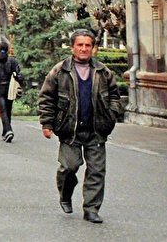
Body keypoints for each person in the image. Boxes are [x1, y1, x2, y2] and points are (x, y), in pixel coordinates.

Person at [38, 30, 120, 224]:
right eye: (80, 45)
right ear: (73, 47)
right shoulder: (60, 71)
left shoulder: (103, 72)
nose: (84, 49)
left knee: (97, 171)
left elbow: (115, 96)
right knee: (69, 167)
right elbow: (46, 97)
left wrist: (111, 115)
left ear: (93, 48)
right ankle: (65, 194)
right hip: (70, 129)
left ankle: (91, 209)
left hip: (96, 129)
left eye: (88, 45)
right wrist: (47, 123)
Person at [0, 42, 24, 143]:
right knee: (8, 110)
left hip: (0, 88)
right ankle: (6, 132)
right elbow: (18, 74)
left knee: (3, 111)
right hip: (10, 88)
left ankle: (8, 131)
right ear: (7, 50)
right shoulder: (12, 61)